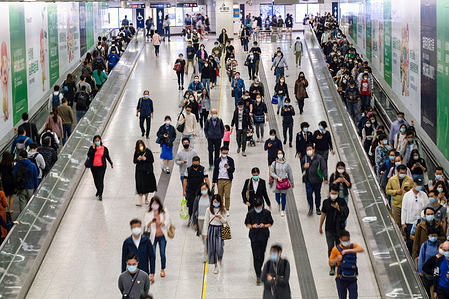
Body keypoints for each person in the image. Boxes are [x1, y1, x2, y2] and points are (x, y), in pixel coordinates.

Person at [320, 185, 350, 275]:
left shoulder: (341, 201)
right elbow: (323, 214)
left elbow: (346, 213)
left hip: (339, 229)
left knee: (339, 247)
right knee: (330, 247)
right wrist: (320, 226)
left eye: (335, 193)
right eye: (332, 193)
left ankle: (340, 264)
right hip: (329, 228)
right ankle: (332, 266)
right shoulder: (326, 202)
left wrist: (338, 208)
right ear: (329, 193)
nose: (333, 195)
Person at [245, 198, 274, 285]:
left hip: (263, 235)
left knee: (262, 254)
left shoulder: (266, 213)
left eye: (260, 207)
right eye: (257, 207)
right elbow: (247, 224)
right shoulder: (250, 213)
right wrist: (252, 226)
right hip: (254, 236)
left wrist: (264, 225)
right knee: (255, 255)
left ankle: (259, 268)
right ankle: (258, 274)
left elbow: (271, 223)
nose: (258, 208)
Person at [329, 230, 364, 299]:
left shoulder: (352, 246)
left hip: (352, 278)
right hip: (340, 278)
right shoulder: (336, 249)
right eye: (344, 240)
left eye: (348, 240)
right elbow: (330, 262)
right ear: (340, 240)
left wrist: (348, 251)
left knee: (353, 297)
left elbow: (361, 249)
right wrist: (336, 259)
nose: (346, 242)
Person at [144, 196, 171, 279]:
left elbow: (167, 222)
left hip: (162, 235)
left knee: (162, 253)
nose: (154, 205)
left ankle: (163, 269)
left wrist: (160, 222)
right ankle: (152, 272)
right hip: (153, 237)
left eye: (156, 204)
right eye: (153, 204)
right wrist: (151, 222)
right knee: (153, 255)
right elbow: (146, 226)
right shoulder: (148, 213)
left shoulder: (164, 211)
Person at [121, 219, 155, 283]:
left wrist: (152, 272)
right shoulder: (127, 242)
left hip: (144, 271)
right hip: (131, 272)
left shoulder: (146, 241)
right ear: (131, 228)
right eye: (134, 227)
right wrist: (123, 274)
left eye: (138, 226)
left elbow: (152, 256)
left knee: (143, 291)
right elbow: (124, 259)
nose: (136, 228)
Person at [401, 177, 428, 254]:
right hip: (410, 222)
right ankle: (408, 256)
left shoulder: (424, 195)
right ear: (413, 184)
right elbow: (404, 209)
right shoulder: (407, 195)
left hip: (421, 222)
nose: (419, 186)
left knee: (420, 242)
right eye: (417, 184)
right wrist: (403, 223)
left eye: (420, 184)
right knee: (410, 242)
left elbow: (426, 208)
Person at [202, 194, 228, 274]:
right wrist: (204, 232)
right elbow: (206, 221)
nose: (215, 203)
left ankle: (220, 257)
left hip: (220, 229)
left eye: (217, 202)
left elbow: (225, 221)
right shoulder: (209, 210)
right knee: (212, 248)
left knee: (220, 247)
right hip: (211, 229)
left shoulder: (223, 210)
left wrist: (221, 218)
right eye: (214, 202)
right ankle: (215, 266)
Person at [301, 144, 328, 216]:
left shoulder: (319, 158)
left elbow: (324, 168)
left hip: (317, 180)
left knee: (317, 194)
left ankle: (317, 207)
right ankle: (311, 207)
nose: (309, 151)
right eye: (307, 150)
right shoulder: (305, 158)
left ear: (314, 150)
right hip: (308, 180)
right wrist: (304, 167)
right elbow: (302, 168)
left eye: (310, 149)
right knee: (309, 194)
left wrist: (325, 177)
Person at [87, 135, 113, 201]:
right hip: (94, 167)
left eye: (98, 140)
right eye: (95, 141)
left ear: (100, 140)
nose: (97, 142)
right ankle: (98, 190)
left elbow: (107, 156)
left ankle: (100, 194)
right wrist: (93, 149)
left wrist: (111, 163)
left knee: (100, 180)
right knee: (96, 180)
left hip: (102, 167)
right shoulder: (92, 148)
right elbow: (89, 155)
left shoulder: (104, 148)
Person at [270, 150, 294, 217]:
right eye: (278, 153)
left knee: (283, 196)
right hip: (276, 182)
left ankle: (282, 209)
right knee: (277, 196)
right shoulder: (274, 163)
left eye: (281, 153)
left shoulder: (287, 164)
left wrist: (292, 182)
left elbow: (290, 173)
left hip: (284, 182)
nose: (280, 155)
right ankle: (278, 202)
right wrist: (277, 177)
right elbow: (272, 172)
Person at [212, 146, 235, 215]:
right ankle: (220, 208)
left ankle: (227, 208)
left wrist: (228, 168)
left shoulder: (230, 160)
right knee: (220, 195)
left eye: (226, 151)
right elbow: (215, 171)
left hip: (228, 180)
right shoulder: (217, 160)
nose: (224, 152)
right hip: (220, 180)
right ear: (220, 151)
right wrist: (214, 181)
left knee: (227, 195)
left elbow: (233, 170)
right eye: (223, 151)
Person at [133, 140, 156, 207]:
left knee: (147, 184)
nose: (140, 147)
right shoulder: (136, 152)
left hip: (147, 171)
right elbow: (134, 161)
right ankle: (140, 200)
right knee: (139, 184)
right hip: (139, 171)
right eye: (139, 146)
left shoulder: (148, 151)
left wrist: (145, 159)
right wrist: (138, 159)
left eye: (141, 145)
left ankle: (146, 198)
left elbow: (152, 160)